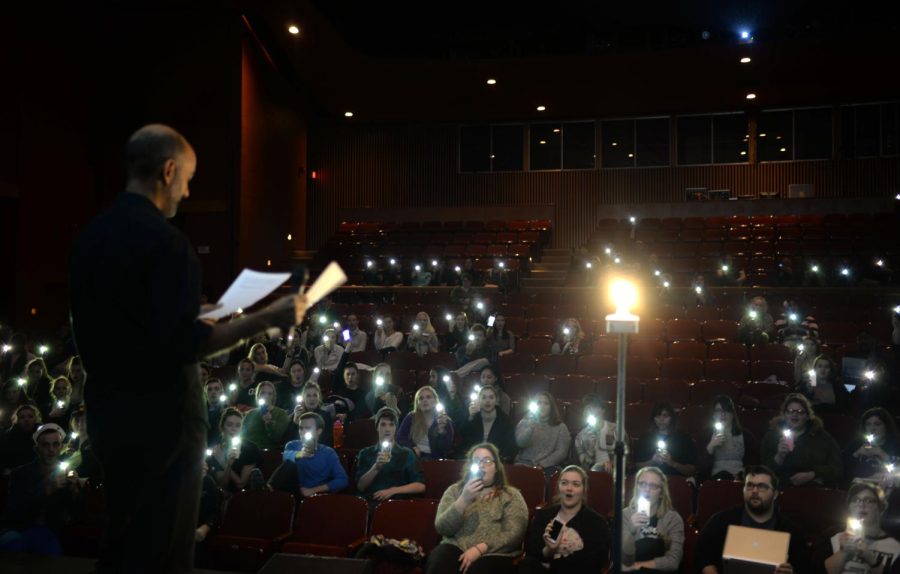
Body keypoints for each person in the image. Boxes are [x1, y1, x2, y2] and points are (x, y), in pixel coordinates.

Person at [68, 124, 307, 574]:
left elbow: (123, 326)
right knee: (164, 552)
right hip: (163, 422)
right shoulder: (167, 243)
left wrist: (199, 313)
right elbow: (186, 347)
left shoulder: (90, 237)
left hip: (107, 412)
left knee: (122, 542)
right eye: (188, 177)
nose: (188, 189)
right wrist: (268, 317)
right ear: (169, 170)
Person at [427, 443, 529, 574]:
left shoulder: (511, 495)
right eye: (476, 461)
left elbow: (514, 533)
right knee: (439, 559)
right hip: (456, 547)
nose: (481, 465)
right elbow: (442, 528)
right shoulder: (455, 491)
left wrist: (481, 548)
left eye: (487, 461)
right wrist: (463, 500)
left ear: (496, 467)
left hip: (493, 553)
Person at [696, 465, 810, 574]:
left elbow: (804, 568)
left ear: (775, 494)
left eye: (762, 487)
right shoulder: (721, 521)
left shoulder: (791, 531)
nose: (755, 491)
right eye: (750, 485)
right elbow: (704, 558)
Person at [0, 423, 87, 555]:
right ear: (37, 448)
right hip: (20, 528)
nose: (51, 449)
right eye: (45, 445)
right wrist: (46, 489)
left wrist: (75, 489)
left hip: (51, 532)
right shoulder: (21, 473)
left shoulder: (67, 474)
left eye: (55, 444)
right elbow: (14, 510)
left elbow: (76, 512)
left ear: (61, 447)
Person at [520, 465, 610, 573]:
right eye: (564, 483)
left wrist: (553, 564)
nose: (569, 488)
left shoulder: (596, 523)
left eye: (575, 484)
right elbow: (532, 553)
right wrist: (549, 550)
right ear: (558, 487)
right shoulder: (543, 517)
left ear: (584, 489)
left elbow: (596, 562)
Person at [761, 393, 843, 487]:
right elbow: (763, 470)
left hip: (814, 487)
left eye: (800, 411)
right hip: (780, 486)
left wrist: (813, 474)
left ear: (807, 416)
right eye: (790, 411)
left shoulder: (822, 437)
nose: (794, 414)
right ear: (784, 414)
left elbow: (837, 468)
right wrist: (779, 456)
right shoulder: (772, 436)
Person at [821, 482, 900, 573]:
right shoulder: (833, 536)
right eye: (855, 500)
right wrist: (844, 552)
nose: (861, 505)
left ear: (881, 508)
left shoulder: (896, 545)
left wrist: (871, 559)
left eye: (868, 500)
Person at [355, 407, 426, 503]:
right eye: (383, 425)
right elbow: (360, 486)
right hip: (371, 504)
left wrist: (393, 490)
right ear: (377, 427)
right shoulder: (366, 453)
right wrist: (376, 467)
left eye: (391, 425)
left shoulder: (406, 454)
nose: (387, 429)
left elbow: (420, 486)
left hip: (396, 505)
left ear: (396, 428)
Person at [621, 466, 685, 572]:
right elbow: (623, 560)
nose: (647, 490)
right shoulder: (625, 515)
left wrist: (638, 565)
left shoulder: (673, 518)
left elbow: (674, 561)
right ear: (636, 487)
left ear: (661, 493)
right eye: (642, 484)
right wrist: (631, 532)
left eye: (653, 486)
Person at [271, 412, 348, 496]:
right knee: (289, 464)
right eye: (300, 428)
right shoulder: (292, 445)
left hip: (314, 495)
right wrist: (299, 454)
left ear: (319, 431)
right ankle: (267, 489)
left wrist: (313, 490)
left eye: (307, 428)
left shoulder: (328, 453)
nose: (303, 432)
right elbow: (285, 456)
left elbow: (342, 480)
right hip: (290, 491)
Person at [515, 391, 571, 477]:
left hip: (548, 466)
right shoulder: (524, 422)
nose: (542, 406)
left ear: (551, 407)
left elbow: (561, 452)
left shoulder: (561, 427)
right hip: (524, 463)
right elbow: (520, 443)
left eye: (546, 403)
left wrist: (542, 464)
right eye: (539, 403)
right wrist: (530, 429)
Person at [206, 407, 263, 492]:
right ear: (222, 427)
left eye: (238, 425)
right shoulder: (218, 450)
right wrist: (228, 464)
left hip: (247, 494)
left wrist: (224, 463)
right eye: (229, 425)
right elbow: (223, 485)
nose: (234, 429)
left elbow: (241, 484)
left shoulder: (250, 448)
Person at [633, 403, 697, 479]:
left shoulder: (683, 438)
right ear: (653, 418)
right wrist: (653, 461)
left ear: (671, 418)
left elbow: (691, 470)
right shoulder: (646, 438)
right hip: (651, 479)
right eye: (657, 416)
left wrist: (672, 463)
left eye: (665, 416)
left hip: (676, 479)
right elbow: (638, 467)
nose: (661, 419)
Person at [458, 385, 517, 461]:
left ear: (496, 400)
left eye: (491, 397)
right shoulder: (473, 415)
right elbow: (462, 436)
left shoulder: (504, 420)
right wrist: (470, 417)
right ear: (479, 400)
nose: (487, 401)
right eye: (484, 397)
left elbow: (509, 446)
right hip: (474, 457)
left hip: (495, 459)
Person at [843, 407, 900, 484]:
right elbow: (843, 471)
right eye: (868, 424)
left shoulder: (895, 445)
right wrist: (857, 453)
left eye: (877, 424)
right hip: (858, 486)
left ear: (886, 426)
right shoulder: (857, 444)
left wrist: (882, 454)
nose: (872, 428)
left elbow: (897, 473)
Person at [397, 385, 454, 459]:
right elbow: (400, 439)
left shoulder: (444, 420)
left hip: (436, 459)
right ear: (417, 403)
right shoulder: (411, 417)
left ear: (435, 401)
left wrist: (441, 432)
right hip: (415, 457)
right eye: (421, 398)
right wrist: (412, 447)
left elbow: (444, 450)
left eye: (428, 397)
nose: (424, 400)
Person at [704, 395, 751, 480]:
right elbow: (700, 466)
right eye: (718, 411)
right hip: (715, 479)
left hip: (740, 479)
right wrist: (711, 446)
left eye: (726, 410)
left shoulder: (745, 435)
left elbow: (753, 462)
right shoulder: (707, 434)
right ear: (713, 415)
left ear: (732, 414)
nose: (723, 414)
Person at [573, 393, 621, 473]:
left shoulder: (616, 429)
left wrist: (611, 463)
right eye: (586, 409)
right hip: (592, 473)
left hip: (615, 471)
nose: (589, 411)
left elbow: (624, 454)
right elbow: (584, 464)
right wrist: (591, 449)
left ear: (602, 410)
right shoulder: (580, 436)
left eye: (592, 408)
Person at [242, 381, 291, 450]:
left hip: (269, 452)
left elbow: (277, 438)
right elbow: (242, 435)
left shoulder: (281, 414)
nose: (266, 396)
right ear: (258, 395)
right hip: (248, 451)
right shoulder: (250, 414)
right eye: (262, 393)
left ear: (273, 397)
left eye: (270, 394)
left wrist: (269, 423)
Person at [290, 381, 335, 447]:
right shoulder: (297, 414)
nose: (312, 399)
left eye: (315, 395)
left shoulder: (326, 416)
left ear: (319, 398)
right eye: (308, 396)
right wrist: (295, 423)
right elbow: (290, 441)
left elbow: (327, 440)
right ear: (304, 398)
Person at [0, 404, 42, 473]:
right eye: (22, 417)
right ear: (17, 420)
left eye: (30, 416)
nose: (26, 420)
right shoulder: (9, 436)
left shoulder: (42, 435)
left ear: (35, 418)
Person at [204, 378, 227, 446]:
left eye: (216, 389)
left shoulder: (227, 410)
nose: (213, 392)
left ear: (221, 392)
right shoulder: (200, 412)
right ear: (205, 392)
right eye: (209, 389)